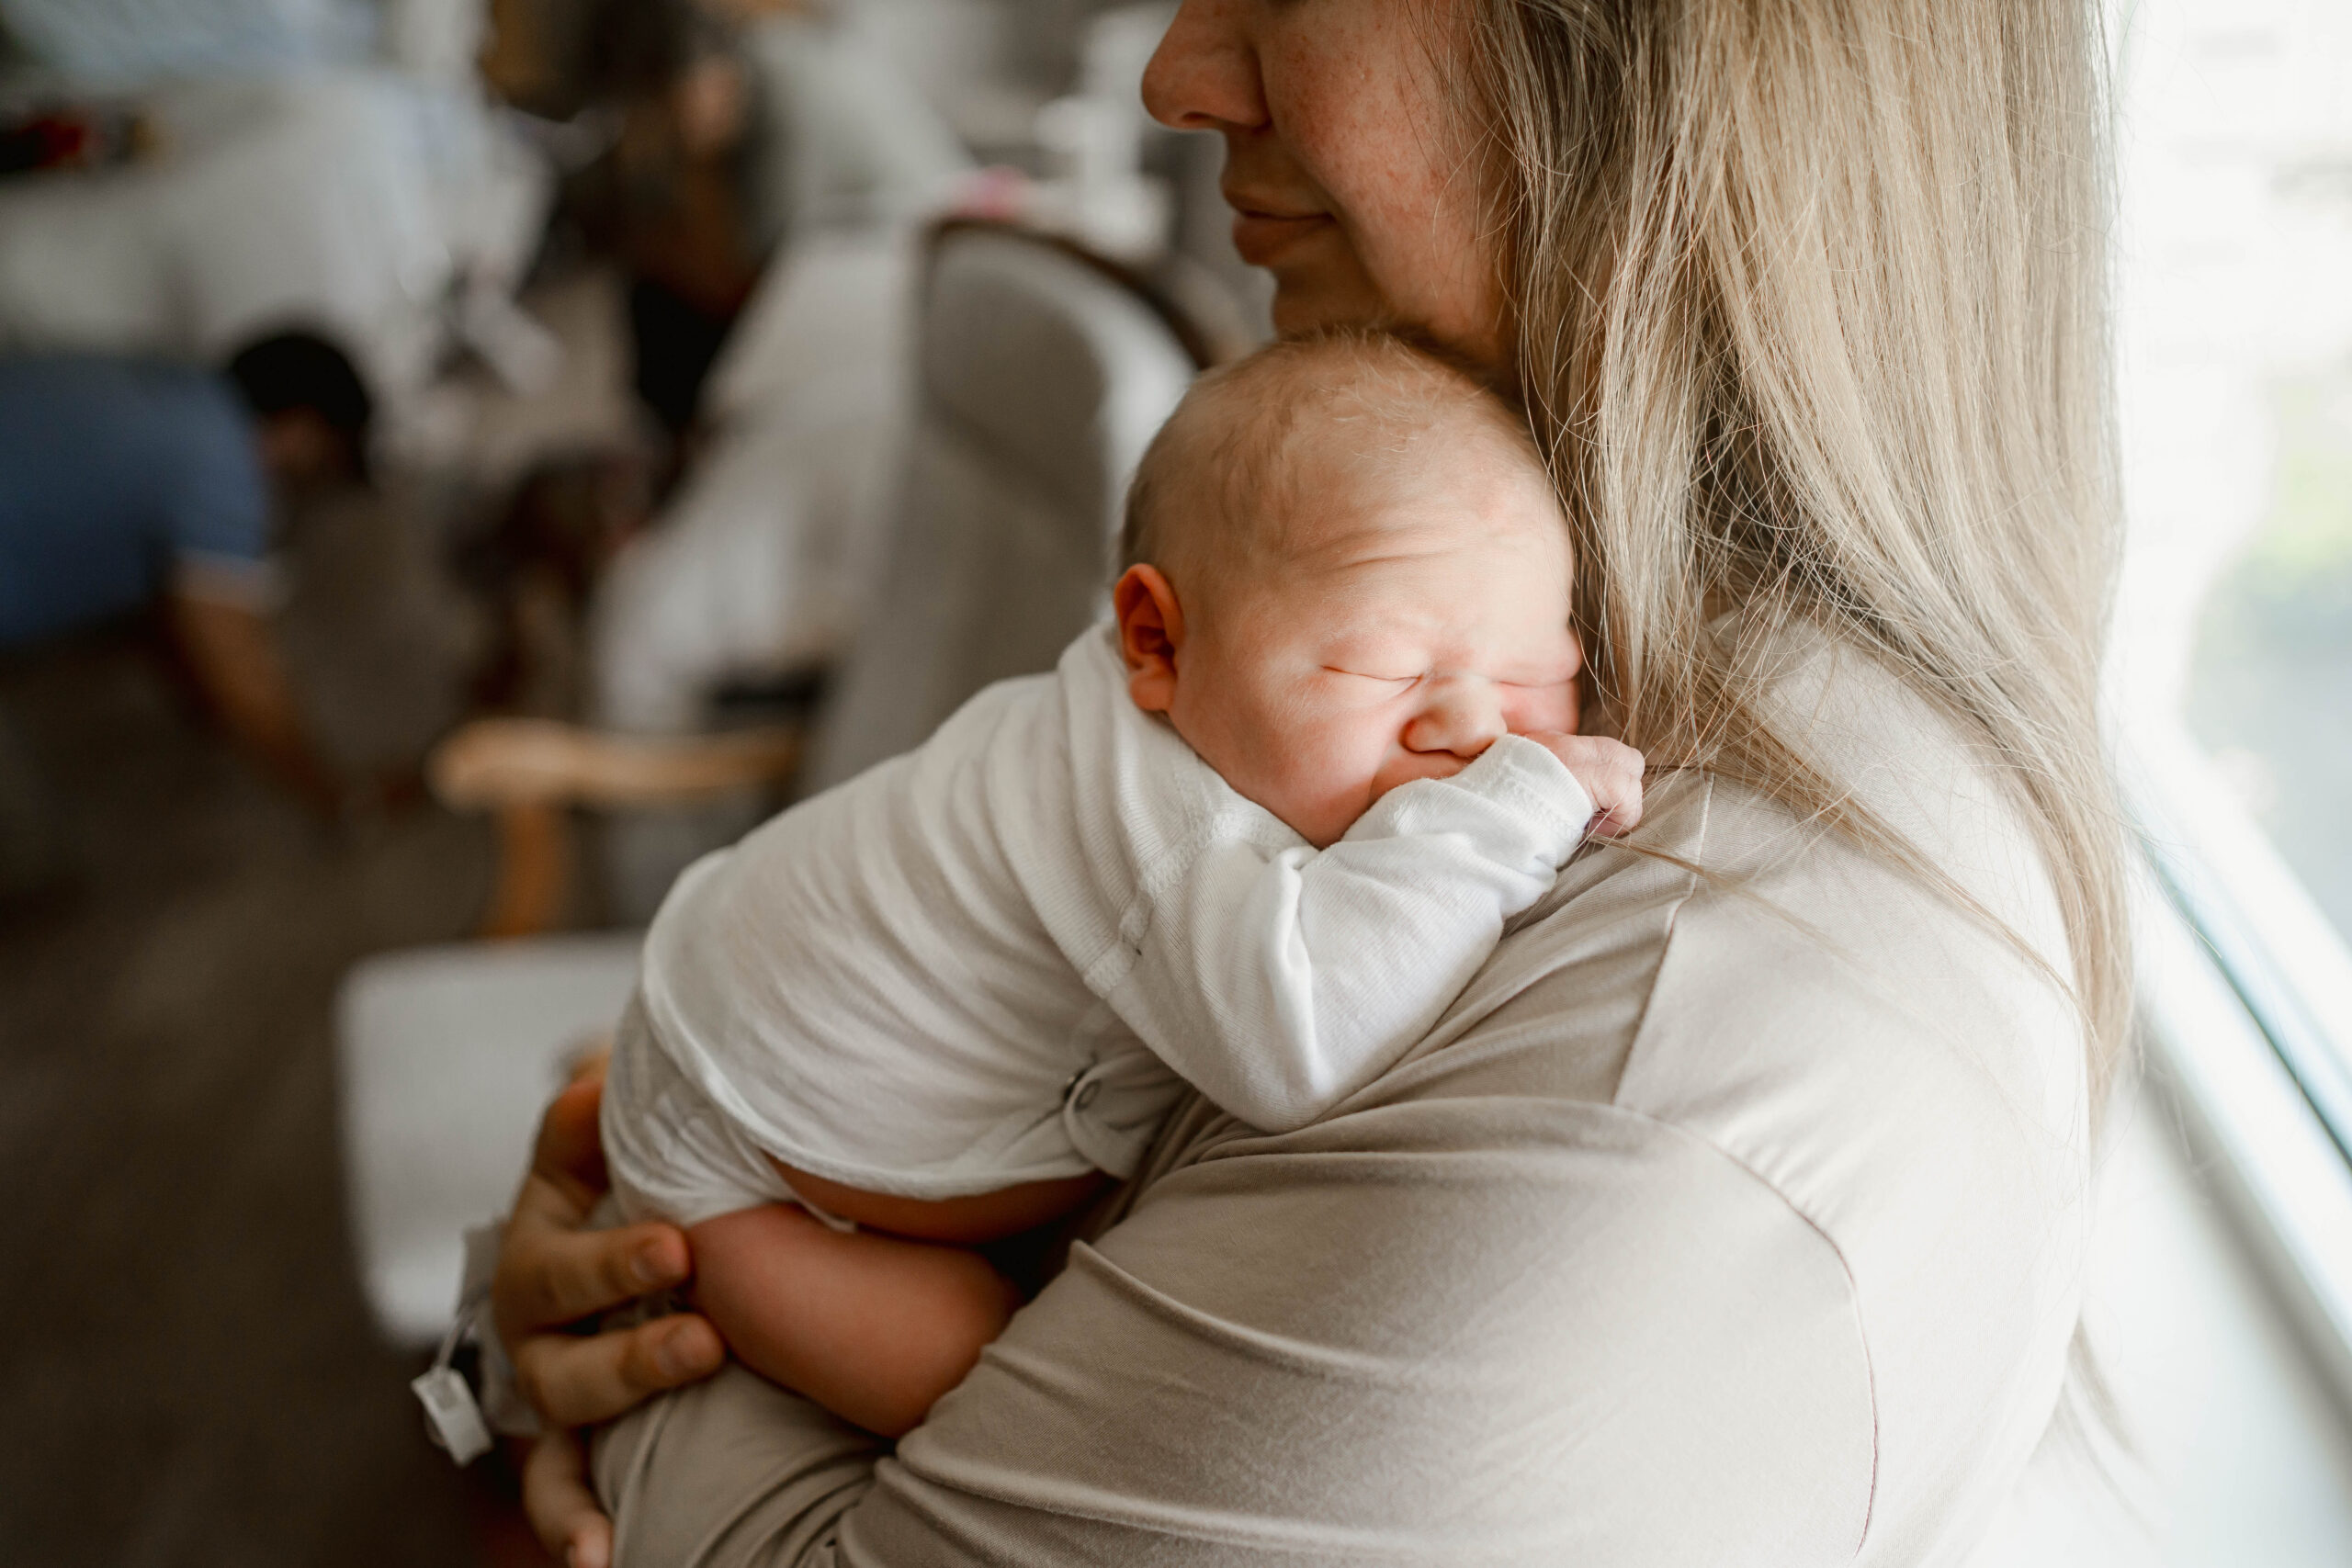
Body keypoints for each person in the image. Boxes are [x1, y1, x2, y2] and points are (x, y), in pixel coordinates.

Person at [492, 0, 2130, 1562]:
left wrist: (650, 1344)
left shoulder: (1660, 1090)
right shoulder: (1419, 613)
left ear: (1653, 68)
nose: (1174, 76)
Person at [598, 333, 1644, 1442]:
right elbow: (1303, 1042)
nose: (1477, 732)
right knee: (972, 1384)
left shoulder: (1242, 742)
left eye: (1538, 677)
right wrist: (1513, 814)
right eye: (1385, 671)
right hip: (723, 1132)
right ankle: (661, 1313)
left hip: (761, 1005)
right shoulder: (1152, 814)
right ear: (1156, 642)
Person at [0, 331, 371, 800]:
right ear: (303, 434)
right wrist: (336, 798)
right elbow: (241, 676)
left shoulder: (165, 390)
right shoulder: (219, 462)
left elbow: (166, 627)